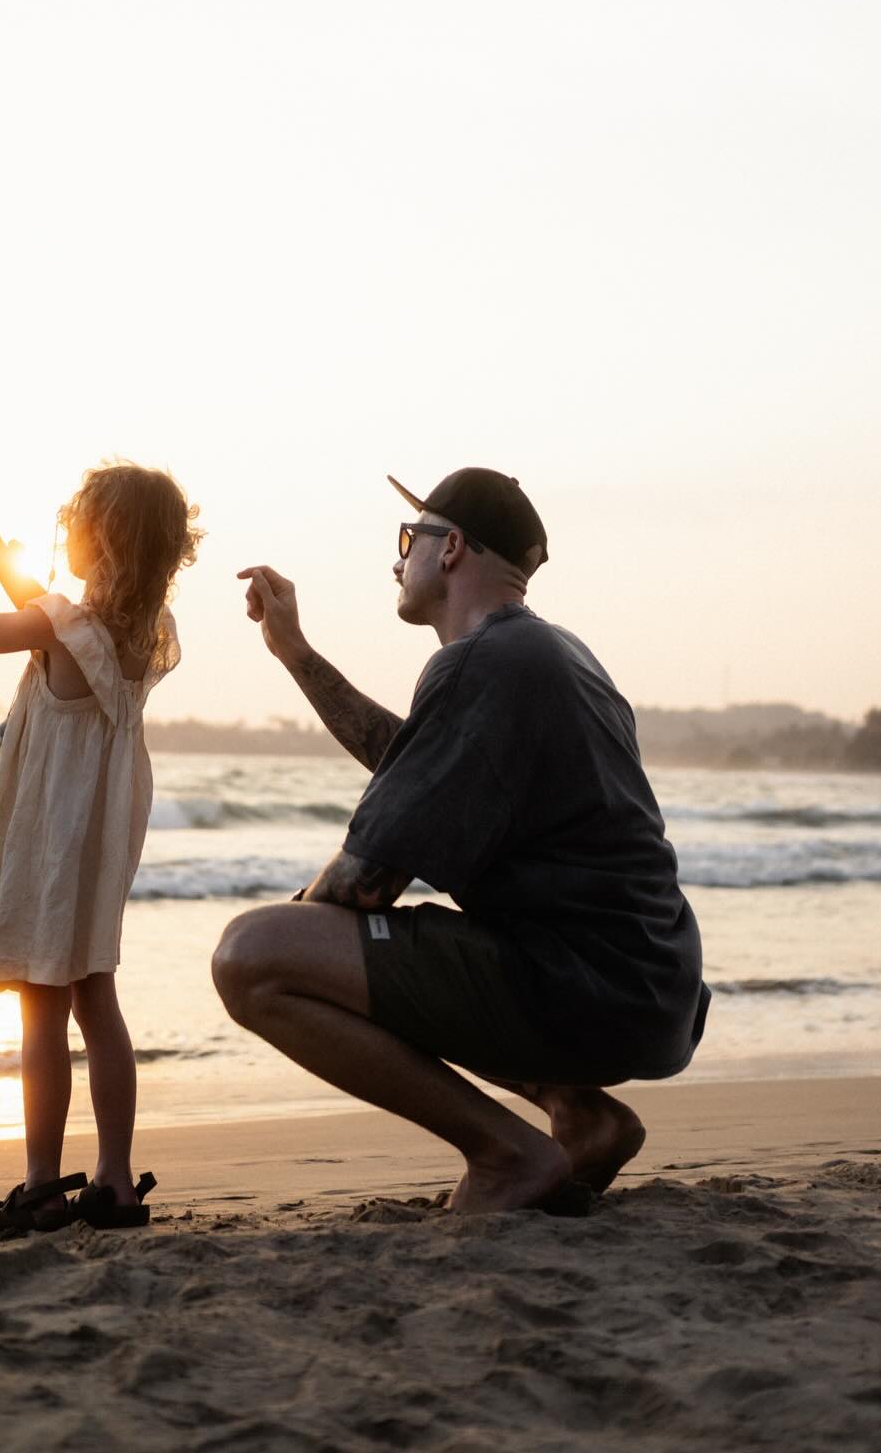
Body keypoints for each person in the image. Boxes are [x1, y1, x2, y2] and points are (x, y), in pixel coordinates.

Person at [214, 467, 709, 1215]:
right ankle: (580, 1114)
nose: (397, 558)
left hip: (583, 986)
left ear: (451, 551)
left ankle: (506, 1152)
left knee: (249, 959)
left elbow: (365, 883)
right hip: (645, 988)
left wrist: (308, 936)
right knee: (342, 945)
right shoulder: (553, 656)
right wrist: (297, 655)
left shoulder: (480, 664)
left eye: (409, 538)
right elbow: (414, 756)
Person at [0, 466, 201, 1234]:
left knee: (40, 1004)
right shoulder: (149, 631)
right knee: (95, 995)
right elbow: (52, 613)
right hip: (103, 834)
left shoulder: (59, 626)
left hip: (49, 831)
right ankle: (112, 1180)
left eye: (74, 521)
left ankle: (43, 1183)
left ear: (100, 539)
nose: (64, 531)